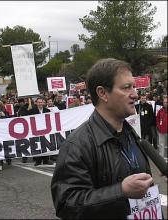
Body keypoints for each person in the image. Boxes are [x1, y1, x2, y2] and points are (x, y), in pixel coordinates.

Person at [51, 58, 154, 219]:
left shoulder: (132, 135)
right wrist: (121, 191)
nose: (135, 94)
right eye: (126, 88)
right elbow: (66, 204)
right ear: (102, 93)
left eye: (134, 86)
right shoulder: (77, 145)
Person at [29, 97, 53, 166]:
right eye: (38, 102)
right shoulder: (31, 111)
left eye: (41, 102)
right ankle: (38, 161)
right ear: (36, 103)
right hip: (36, 131)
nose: (40, 104)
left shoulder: (47, 111)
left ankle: (46, 160)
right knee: (37, 145)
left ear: (43, 103)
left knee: (46, 144)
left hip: (45, 130)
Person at [156, 95, 168, 162]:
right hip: (161, 130)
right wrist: (158, 126)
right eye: (164, 102)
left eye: (166, 102)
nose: (165, 103)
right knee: (161, 145)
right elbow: (157, 118)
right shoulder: (160, 110)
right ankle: (161, 159)